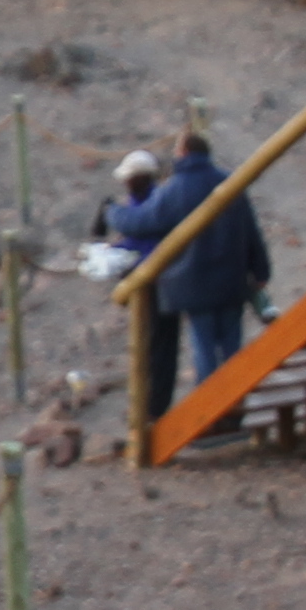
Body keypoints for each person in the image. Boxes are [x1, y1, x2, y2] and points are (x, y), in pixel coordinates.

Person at [113, 126, 272, 432]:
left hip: (193, 286)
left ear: (183, 153)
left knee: (204, 351)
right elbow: (251, 229)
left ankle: (209, 415)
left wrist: (111, 213)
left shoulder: (176, 189)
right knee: (231, 348)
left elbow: (140, 222)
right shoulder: (228, 181)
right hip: (232, 282)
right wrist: (261, 270)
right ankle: (234, 412)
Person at [91, 147, 178, 423]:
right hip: (152, 284)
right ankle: (149, 405)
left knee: (159, 347)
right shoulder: (142, 202)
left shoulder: (153, 204)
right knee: (153, 346)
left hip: (160, 284)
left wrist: (112, 219)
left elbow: (143, 234)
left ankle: (153, 409)